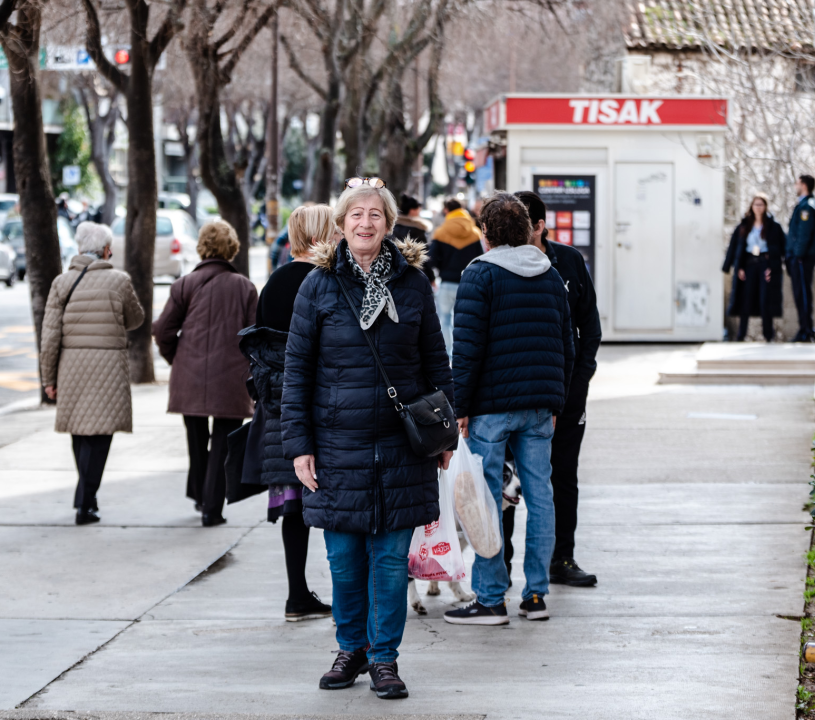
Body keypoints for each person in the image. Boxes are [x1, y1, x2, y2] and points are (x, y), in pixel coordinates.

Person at [282, 178, 454, 699]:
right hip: (338, 448)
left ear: (389, 223)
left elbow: (436, 362)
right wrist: (299, 443)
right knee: (344, 562)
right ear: (340, 225)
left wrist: (445, 430)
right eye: (355, 215)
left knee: (388, 562)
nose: (364, 223)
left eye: (374, 215)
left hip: (402, 446)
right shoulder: (318, 285)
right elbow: (297, 369)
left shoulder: (413, 284)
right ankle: (350, 648)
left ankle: (384, 659)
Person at [445, 192, 574, 626]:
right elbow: (566, 346)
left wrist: (460, 408)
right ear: (528, 230)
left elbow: (466, 351)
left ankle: (490, 597)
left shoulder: (479, 276)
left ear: (485, 233)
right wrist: (556, 400)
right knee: (542, 497)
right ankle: (536, 596)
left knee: (484, 500)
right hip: (540, 408)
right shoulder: (551, 274)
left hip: (490, 409)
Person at [240, 206, 335, 620]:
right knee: (338, 503)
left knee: (294, 506)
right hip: (325, 404)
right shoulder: (329, 280)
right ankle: (347, 597)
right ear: (322, 235)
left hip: (280, 409)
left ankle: (297, 596)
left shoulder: (274, 283)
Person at [513, 190, 602, 587]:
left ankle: (560, 559)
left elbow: (590, 328)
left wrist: (579, 382)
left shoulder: (568, 262)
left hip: (566, 395)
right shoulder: (499, 265)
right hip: (515, 396)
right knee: (507, 484)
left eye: (521, 226)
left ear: (539, 226)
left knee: (562, 477)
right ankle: (502, 566)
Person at [153, 220, 257, 527]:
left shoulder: (184, 284)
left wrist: (177, 359)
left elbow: (163, 330)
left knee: (196, 439)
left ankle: (200, 495)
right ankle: (213, 508)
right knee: (224, 443)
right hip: (231, 379)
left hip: (190, 375)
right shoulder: (245, 287)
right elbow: (255, 337)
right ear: (232, 249)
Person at [40, 222, 144, 526]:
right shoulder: (119, 280)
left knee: (80, 431)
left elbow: (49, 337)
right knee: (101, 434)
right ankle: (86, 501)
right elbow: (135, 319)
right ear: (107, 250)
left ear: (78, 248)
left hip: (71, 366)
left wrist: (49, 378)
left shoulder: (61, 282)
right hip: (109, 366)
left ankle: (87, 497)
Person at [723, 195, 786, 342]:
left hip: (765, 264)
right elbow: (735, 247)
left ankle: (768, 336)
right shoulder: (744, 225)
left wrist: (773, 268)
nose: (758, 207)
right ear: (751, 206)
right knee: (746, 299)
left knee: (766, 300)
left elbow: (780, 249)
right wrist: (737, 267)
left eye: (761, 204)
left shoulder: (773, 226)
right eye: (755, 204)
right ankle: (741, 335)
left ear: (765, 207)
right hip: (749, 265)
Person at [428, 198, 482, 357]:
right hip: (469, 284)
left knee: (444, 321)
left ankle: (448, 355)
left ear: (447, 211)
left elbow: (431, 258)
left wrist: (441, 268)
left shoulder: (441, 231)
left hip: (447, 282)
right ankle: (465, 355)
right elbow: (480, 258)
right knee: (467, 322)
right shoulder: (474, 232)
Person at [786, 174, 815, 342]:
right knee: (801, 294)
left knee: (803, 294)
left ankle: (806, 330)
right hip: (801, 257)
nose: (795, 186)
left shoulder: (807, 207)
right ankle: (805, 328)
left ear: (804, 185)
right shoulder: (805, 205)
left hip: (802, 258)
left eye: (797, 183)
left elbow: (804, 234)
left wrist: (797, 255)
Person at [389, 193, 435, 284]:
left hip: (393, 274)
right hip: (415, 275)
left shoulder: (392, 228)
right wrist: (431, 278)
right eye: (418, 209)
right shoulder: (417, 230)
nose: (419, 211)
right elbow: (424, 257)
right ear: (412, 210)